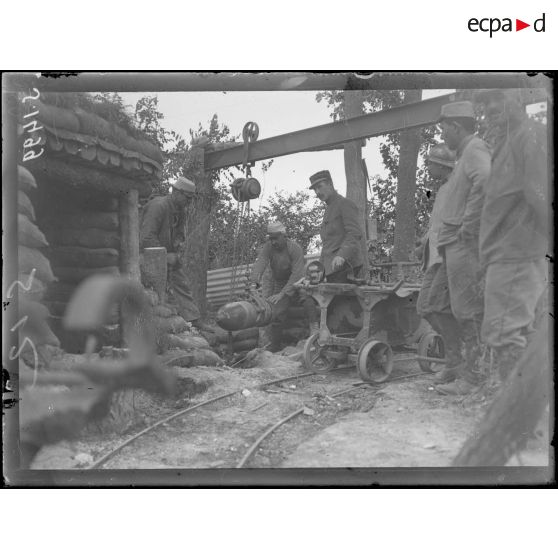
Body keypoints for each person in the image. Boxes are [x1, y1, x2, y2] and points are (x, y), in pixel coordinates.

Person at [474, 88, 549, 383]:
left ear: (520, 96)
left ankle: (520, 424)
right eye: (486, 102)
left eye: (498, 97)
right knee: (511, 335)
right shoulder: (509, 141)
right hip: (507, 253)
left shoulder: (528, 136)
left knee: (506, 337)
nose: (491, 107)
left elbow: (541, 196)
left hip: (517, 251)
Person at [433, 101, 492, 395]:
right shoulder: (463, 155)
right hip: (451, 245)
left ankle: (474, 378)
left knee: (467, 311)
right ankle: (461, 367)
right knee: (444, 307)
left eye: (444, 129)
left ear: (456, 126)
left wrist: (469, 227)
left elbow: (485, 181)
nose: (442, 135)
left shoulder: (474, 149)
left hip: (462, 243)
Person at [415, 143, 463, 384]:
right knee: (424, 307)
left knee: (437, 306)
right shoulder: (443, 189)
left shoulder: (456, 186)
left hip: (448, 257)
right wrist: (423, 241)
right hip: (434, 259)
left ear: (441, 165)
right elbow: (438, 224)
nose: (428, 168)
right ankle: (457, 355)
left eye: (430, 164)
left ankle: (458, 361)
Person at [140, 176, 209, 331]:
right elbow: (146, 238)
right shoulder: (158, 206)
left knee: (181, 282)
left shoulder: (180, 211)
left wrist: (177, 250)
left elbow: (178, 236)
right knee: (154, 293)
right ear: (176, 192)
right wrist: (165, 256)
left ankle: (193, 319)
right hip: (147, 256)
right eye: (187, 198)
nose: (189, 202)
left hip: (165, 256)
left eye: (191, 199)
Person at [307, 170, 366, 332]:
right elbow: (328, 246)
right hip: (332, 269)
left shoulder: (344, 204)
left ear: (331, 184)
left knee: (340, 310)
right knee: (330, 308)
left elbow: (355, 233)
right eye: (315, 190)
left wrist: (341, 255)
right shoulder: (329, 209)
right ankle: (336, 346)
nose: (318, 192)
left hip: (347, 266)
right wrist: (317, 271)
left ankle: (344, 348)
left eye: (320, 186)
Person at [249, 221, 309, 352]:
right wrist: (254, 281)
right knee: (276, 312)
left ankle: (313, 332)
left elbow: (297, 274)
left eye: (275, 238)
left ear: (283, 235)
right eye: (271, 238)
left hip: (300, 282)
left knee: (307, 301)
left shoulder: (295, 248)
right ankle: (275, 346)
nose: (273, 242)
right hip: (281, 282)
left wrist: (282, 294)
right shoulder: (268, 247)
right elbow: (261, 262)